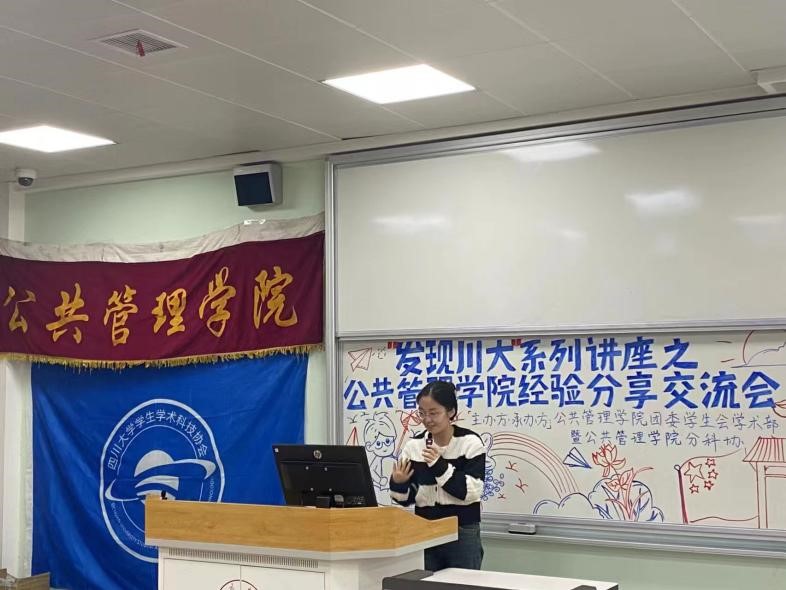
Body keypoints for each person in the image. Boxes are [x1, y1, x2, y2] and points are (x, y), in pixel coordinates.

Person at [389, 380, 485, 571]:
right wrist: (399, 483)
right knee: (426, 581)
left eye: (434, 413)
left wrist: (438, 465)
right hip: (425, 528)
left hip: (462, 531)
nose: (427, 419)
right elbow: (405, 499)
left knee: (463, 583)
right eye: (422, 413)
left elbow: (471, 492)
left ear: (450, 412)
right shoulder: (414, 446)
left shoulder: (470, 443)